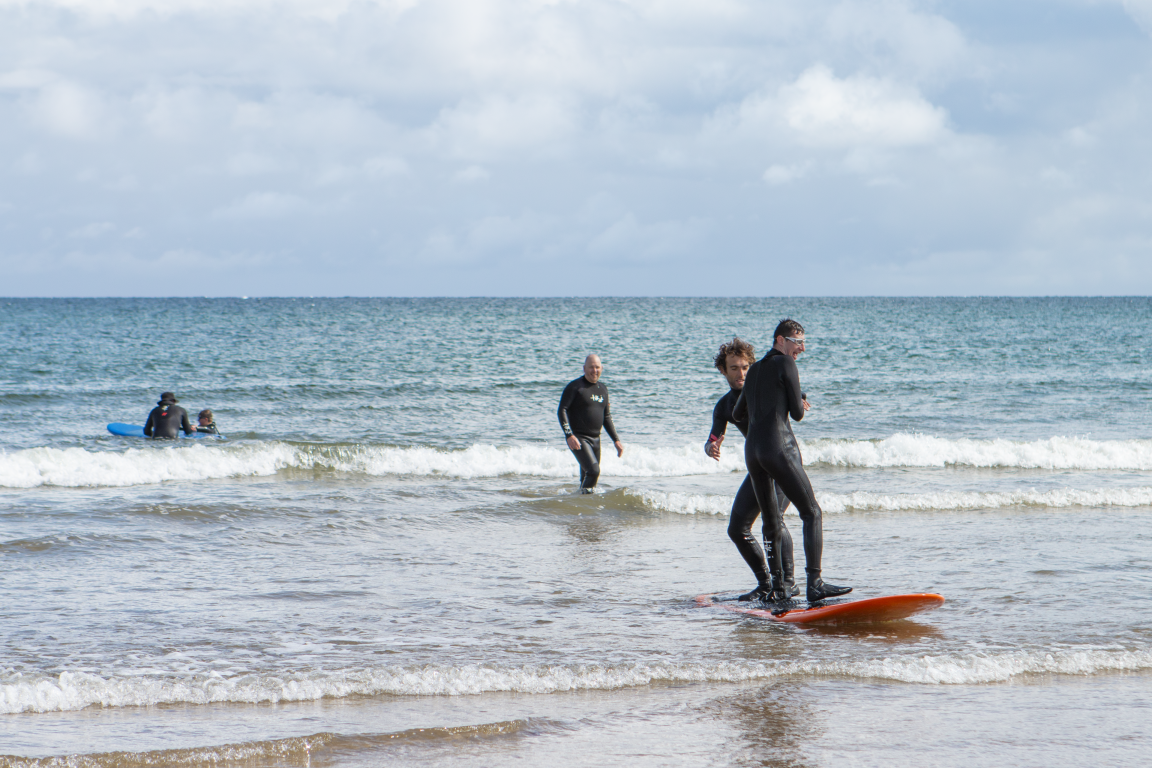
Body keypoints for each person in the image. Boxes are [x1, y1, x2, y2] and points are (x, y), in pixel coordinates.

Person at [733, 320, 851, 604]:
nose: (802, 347)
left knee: (771, 522)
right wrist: (797, 397)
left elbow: (738, 413)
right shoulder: (786, 365)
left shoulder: (756, 370)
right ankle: (815, 583)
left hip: (754, 453)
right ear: (780, 340)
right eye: (797, 341)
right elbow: (797, 413)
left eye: (803, 341)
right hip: (779, 448)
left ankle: (780, 588)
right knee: (812, 512)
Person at [706, 338, 798, 601]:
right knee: (737, 529)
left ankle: (789, 582)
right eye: (734, 368)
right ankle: (766, 583)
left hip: (783, 463)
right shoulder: (724, 405)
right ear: (723, 371)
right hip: (759, 469)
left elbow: (790, 389)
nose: (741, 373)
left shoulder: (765, 388)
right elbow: (714, 436)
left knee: (775, 521)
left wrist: (800, 398)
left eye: (746, 367)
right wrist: (710, 446)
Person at [558, 354, 624, 493]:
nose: (594, 371)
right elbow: (562, 410)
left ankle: (582, 510)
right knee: (594, 471)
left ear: (602, 368)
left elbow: (606, 416)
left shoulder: (603, 389)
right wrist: (569, 435)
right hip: (579, 439)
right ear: (584, 368)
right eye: (591, 367)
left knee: (588, 477)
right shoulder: (575, 387)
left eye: (597, 367)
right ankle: (583, 502)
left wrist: (616, 440)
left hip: (596, 440)